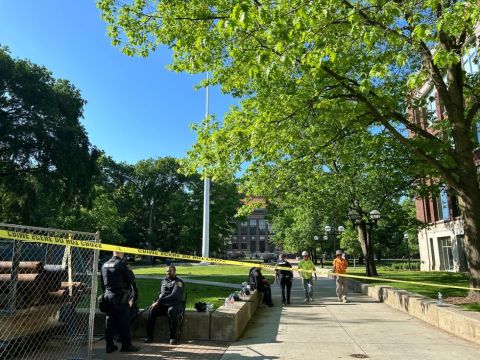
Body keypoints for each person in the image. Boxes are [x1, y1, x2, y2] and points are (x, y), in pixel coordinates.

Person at [101, 251, 140, 354]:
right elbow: (131, 280)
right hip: (120, 297)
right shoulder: (122, 264)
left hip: (107, 296)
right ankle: (126, 346)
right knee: (124, 322)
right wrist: (133, 297)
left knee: (109, 322)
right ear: (121, 253)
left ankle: (109, 346)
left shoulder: (104, 264)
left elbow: (102, 283)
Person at [144, 264, 185, 345]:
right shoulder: (163, 281)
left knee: (171, 310)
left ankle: (173, 337)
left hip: (175, 305)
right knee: (152, 310)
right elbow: (162, 293)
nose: (168, 272)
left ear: (174, 271)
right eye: (167, 271)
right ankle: (149, 336)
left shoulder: (179, 282)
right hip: (164, 304)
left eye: (170, 271)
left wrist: (159, 301)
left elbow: (174, 295)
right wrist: (157, 302)